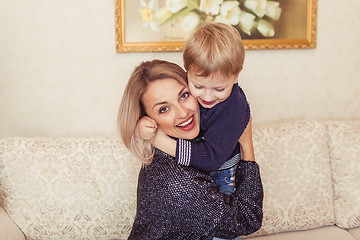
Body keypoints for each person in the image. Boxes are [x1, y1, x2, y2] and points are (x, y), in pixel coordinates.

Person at [118, 59, 263, 240]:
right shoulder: (180, 183)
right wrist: (247, 143)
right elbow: (249, 218)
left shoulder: (186, 140)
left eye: (184, 95)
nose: (183, 113)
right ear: (148, 119)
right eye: (164, 109)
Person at [137, 22, 254, 197]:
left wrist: (158, 140)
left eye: (219, 89)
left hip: (223, 173)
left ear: (236, 76)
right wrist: (143, 124)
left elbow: (211, 159)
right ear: (187, 73)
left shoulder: (234, 107)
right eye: (198, 86)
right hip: (196, 167)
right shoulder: (185, 95)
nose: (207, 98)